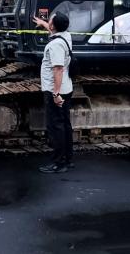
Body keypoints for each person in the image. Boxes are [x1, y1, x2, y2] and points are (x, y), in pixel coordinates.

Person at [32, 11, 74, 173]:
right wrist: (45, 25)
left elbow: (58, 69)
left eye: (49, 20)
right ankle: (68, 159)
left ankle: (59, 163)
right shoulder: (65, 36)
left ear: (54, 25)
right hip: (67, 87)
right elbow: (55, 34)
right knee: (65, 124)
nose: (48, 21)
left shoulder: (55, 45)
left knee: (56, 127)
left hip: (57, 91)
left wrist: (55, 94)